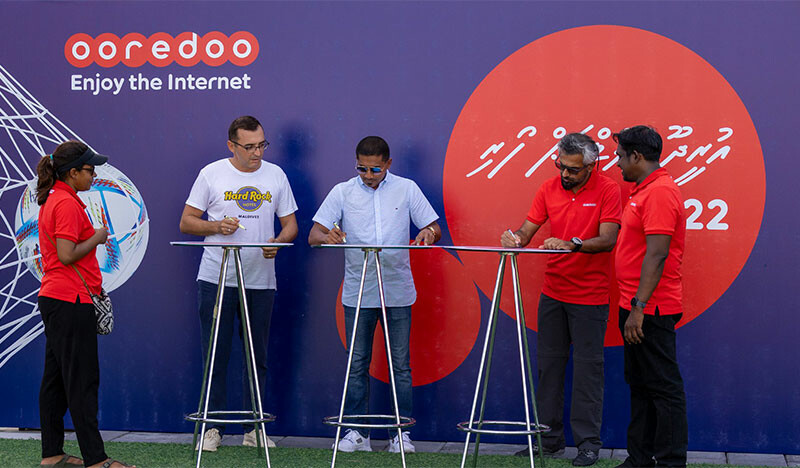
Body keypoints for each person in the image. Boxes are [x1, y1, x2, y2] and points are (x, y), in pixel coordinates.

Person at [309, 136, 441, 454]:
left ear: (388, 164)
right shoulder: (342, 191)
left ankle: (400, 434)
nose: (368, 175)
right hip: (358, 292)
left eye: (375, 169)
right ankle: (357, 433)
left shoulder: (407, 189)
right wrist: (328, 236)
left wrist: (428, 232)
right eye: (362, 168)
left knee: (400, 366)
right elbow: (313, 235)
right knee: (357, 364)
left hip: (397, 290)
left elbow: (434, 228)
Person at [501, 133, 621, 466]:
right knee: (549, 369)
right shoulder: (548, 188)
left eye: (572, 170)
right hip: (553, 294)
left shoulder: (609, 189)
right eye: (560, 167)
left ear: (591, 166)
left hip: (590, 297)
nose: (564, 174)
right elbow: (526, 232)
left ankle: (588, 445)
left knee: (587, 373)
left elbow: (608, 239)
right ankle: (548, 441)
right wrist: (515, 239)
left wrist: (572, 244)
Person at [179, 115, 298, 451]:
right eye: (249, 147)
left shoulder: (276, 175)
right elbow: (187, 222)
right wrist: (216, 227)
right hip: (216, 278)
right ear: (231, 145)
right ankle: (211, 428)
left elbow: (291, 225)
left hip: (260, 280)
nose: (257, 153)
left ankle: (253, 428)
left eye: (262, 145)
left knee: (256, 357)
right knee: (215, 355)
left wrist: (279, 241)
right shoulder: (211, 174)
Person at [36, 141, 135, 468]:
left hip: (59, 298)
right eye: (90, 170)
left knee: (55, 381)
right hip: (70, 299)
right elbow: (67, 255)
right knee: (82, 382)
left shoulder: (57, 198)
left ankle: (52, 454)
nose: (94, 175)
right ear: (72, 172)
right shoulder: (65, 202)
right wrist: (97, 236)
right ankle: (96, 459)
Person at [613, 125, 688, 468]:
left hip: (650, 309)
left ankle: (671, 462)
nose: (617, 163)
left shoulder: (659, 193)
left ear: (637, 156)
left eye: (620, 156)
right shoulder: (643, 190)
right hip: (634, 305)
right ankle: (639, 460)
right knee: (641, 385)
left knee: (663, 387)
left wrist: (639, 308)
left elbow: (657, 254)